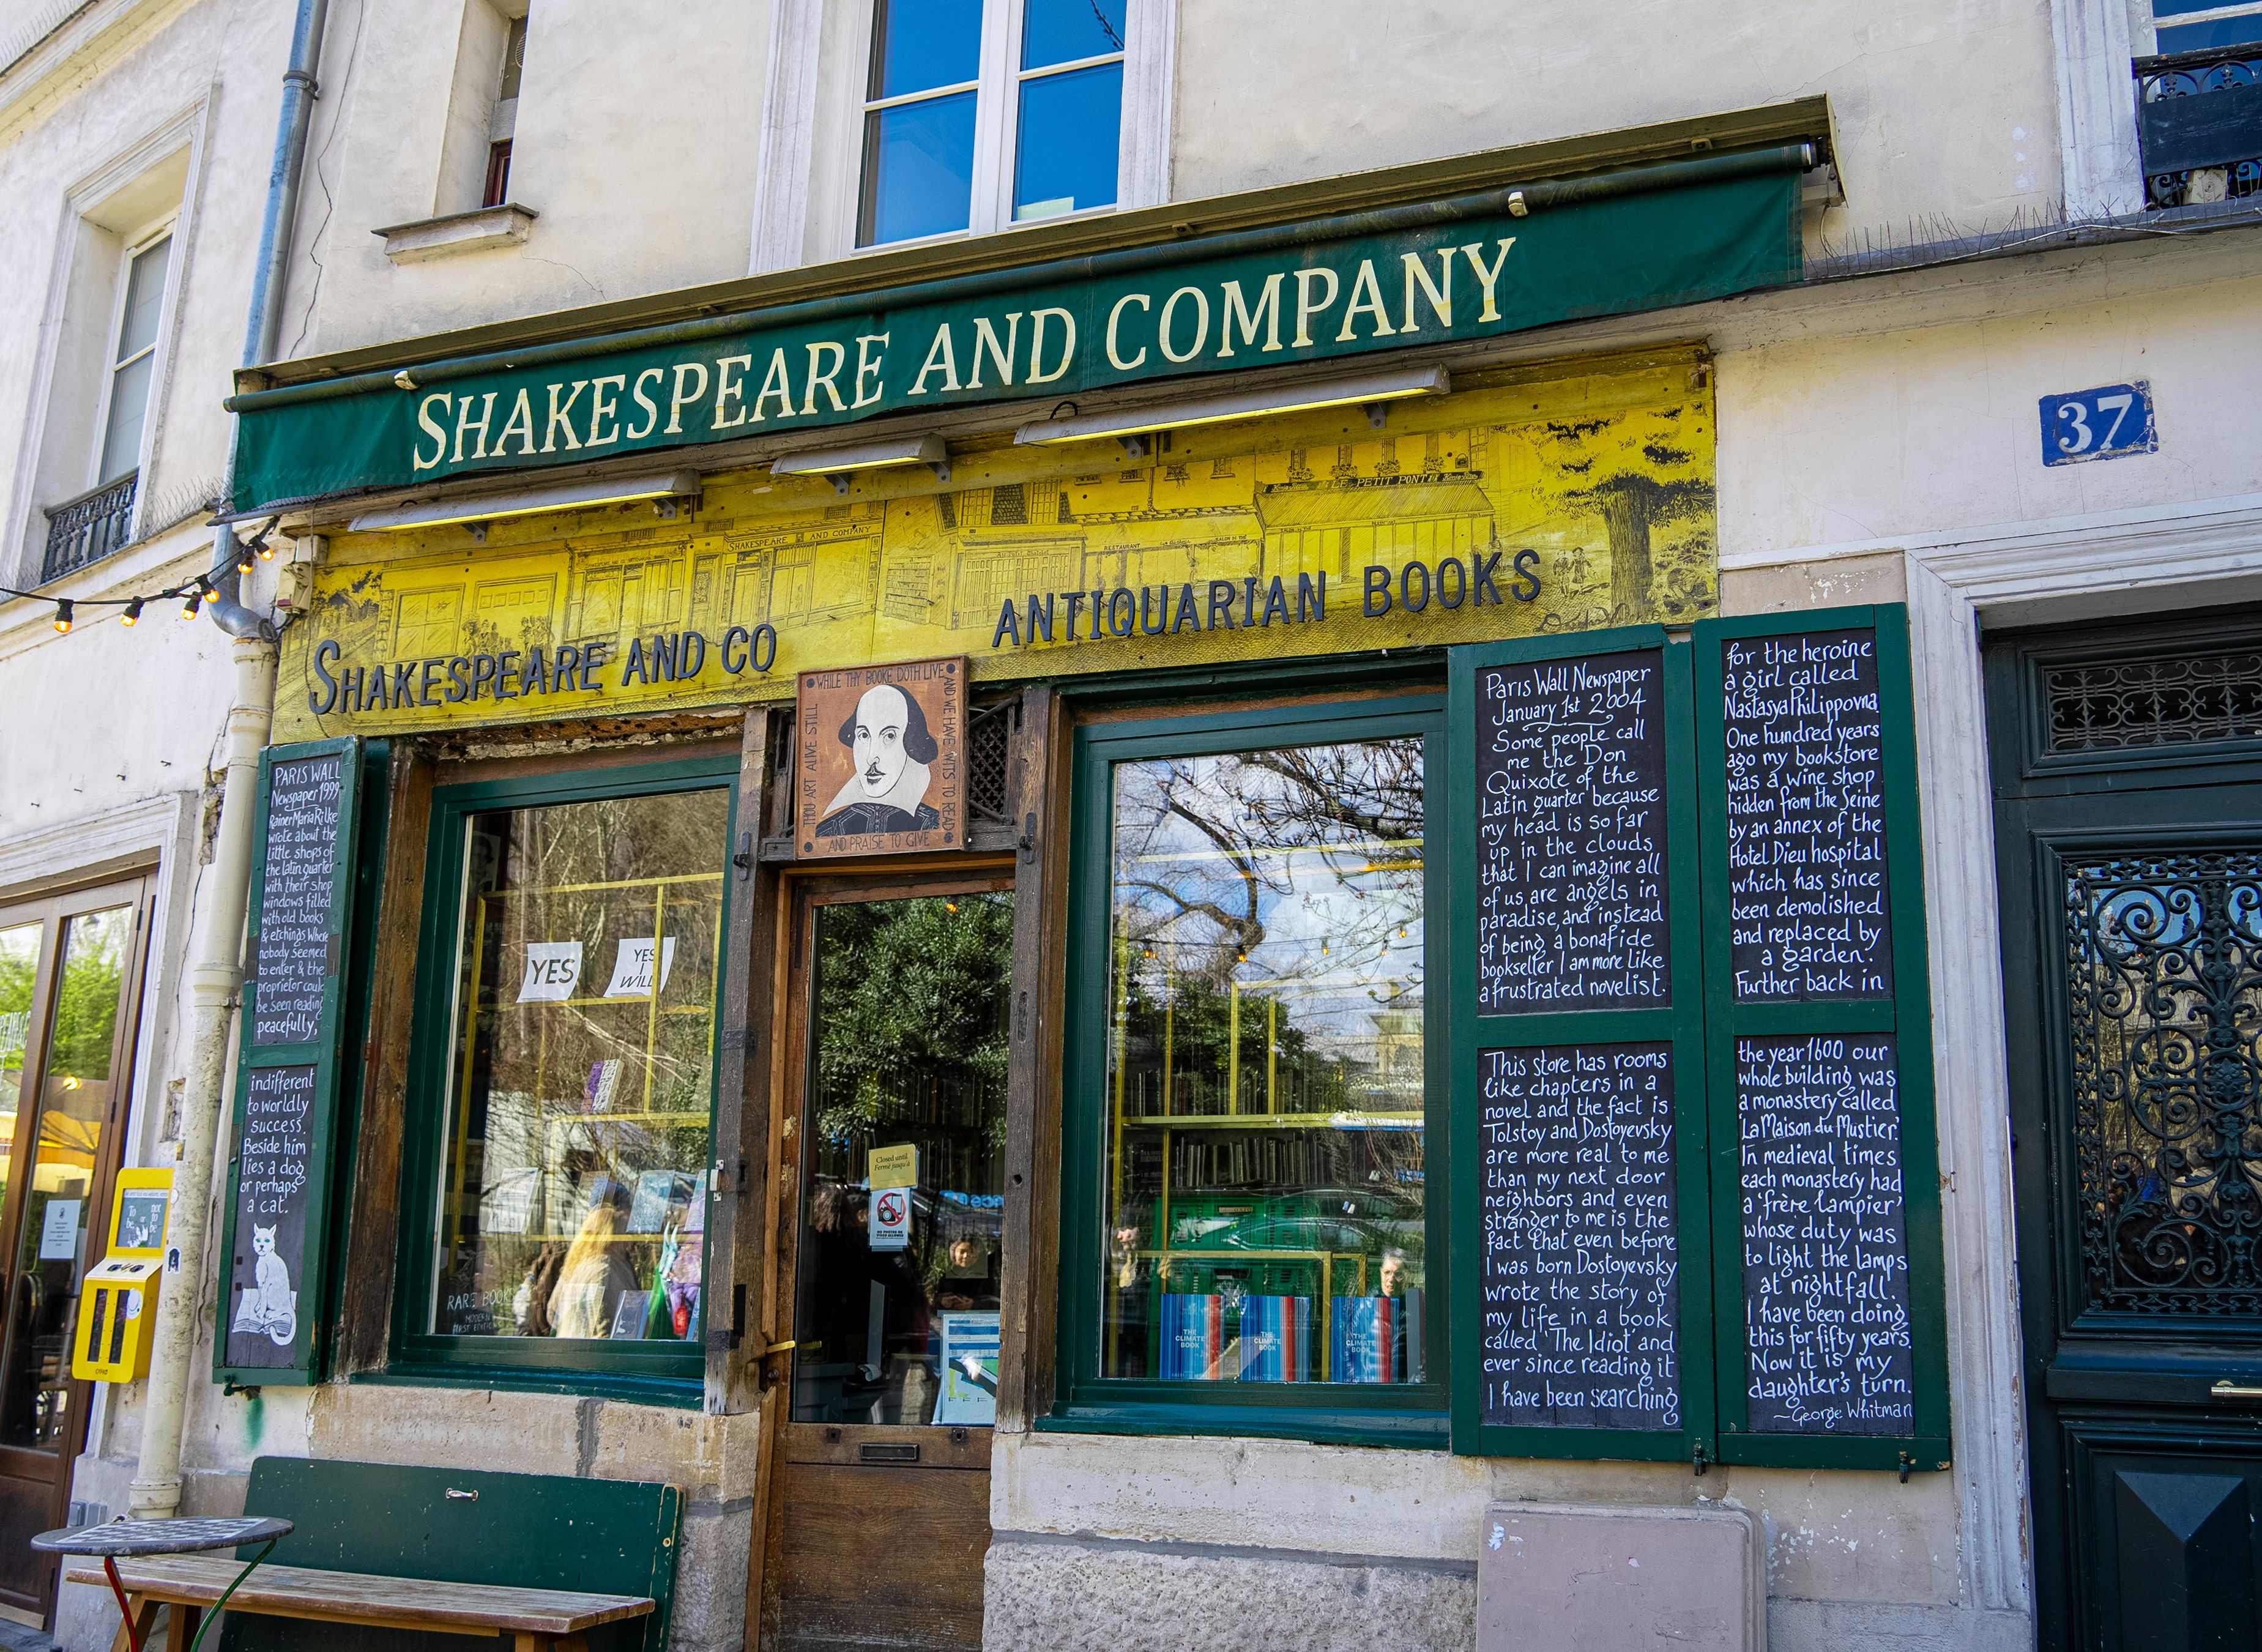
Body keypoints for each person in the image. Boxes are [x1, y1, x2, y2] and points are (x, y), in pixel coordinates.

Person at [816, 683, 942, 838]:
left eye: (889, 736)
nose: (871, 758)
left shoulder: (935, 826)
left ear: (911, 742)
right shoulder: (828, 831)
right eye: (863, 735)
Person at [549, 1182, 636, 1338]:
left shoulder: (579, 1261)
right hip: (597, 1359)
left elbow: (552, 1314)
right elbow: (607, 1331)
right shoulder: (605, 1267)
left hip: (572, 1355)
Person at [936, 1233, 1000, 1310]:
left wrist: (974, 1304)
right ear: (954, 1255)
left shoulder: (986, 1279)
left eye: (971, 1252)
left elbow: (998, 1303)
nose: (966, 1256)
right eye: (962, 1252)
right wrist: (943, 1302)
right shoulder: (946, 1279)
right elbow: (933, 1306)